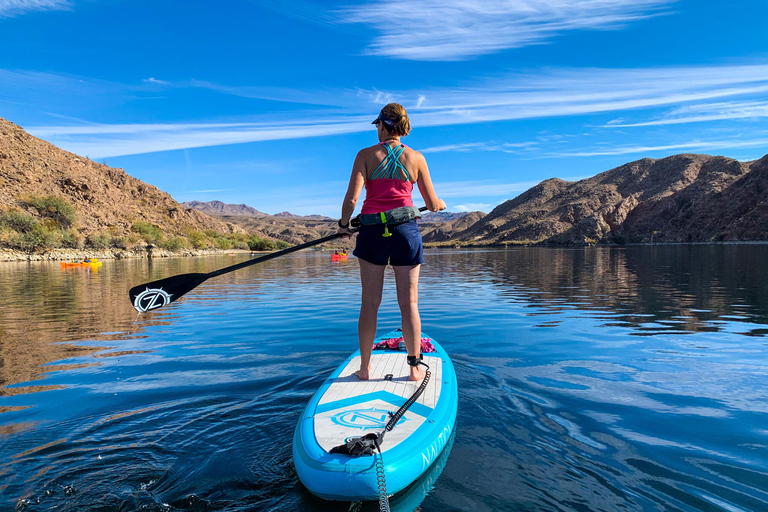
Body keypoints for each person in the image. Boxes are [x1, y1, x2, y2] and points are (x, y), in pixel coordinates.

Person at [337, 103, 446, 381]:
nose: (377, 130)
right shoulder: (417, 158)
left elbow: (351, 200)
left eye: (377, 125)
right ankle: (413, 368)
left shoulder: (364, 155)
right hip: (405, 234)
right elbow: (432, 203)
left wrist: (343, 226)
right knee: (409, 302)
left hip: (372, 234)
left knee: (369, 303)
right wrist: (439, 204)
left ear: (384, 126)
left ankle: (364, 368)